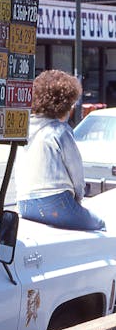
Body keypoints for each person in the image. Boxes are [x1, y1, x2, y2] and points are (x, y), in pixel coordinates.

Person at [15, 69, 105, 231]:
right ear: (62, 104)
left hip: (24, 203)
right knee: (99, 224)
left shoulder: (25, 129)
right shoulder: (60, 130)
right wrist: (78, 198)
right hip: (56, 202)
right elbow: (76, 171)